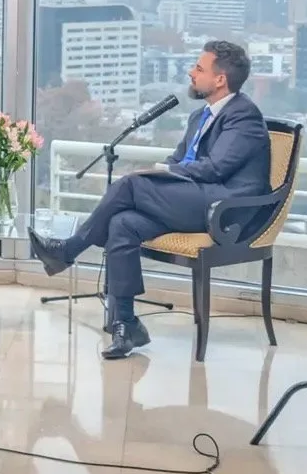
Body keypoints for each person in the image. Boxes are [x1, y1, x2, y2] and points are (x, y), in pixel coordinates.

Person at [28, 40, 273, 360]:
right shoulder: (200, 116)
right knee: (123, 223)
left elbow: (216, 169)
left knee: (131, 185)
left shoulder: (244, 116)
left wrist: (162, 173)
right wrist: (162, 171)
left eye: (199, 68)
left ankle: (68, 250)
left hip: (225, 209)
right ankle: (126, 324)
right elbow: (179, 160)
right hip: (195, 199)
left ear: (220, 79)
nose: (191, 72)